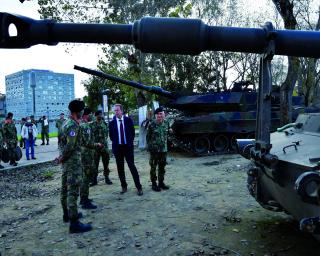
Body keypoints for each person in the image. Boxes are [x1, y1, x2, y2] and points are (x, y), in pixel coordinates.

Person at [57, 100, 92, 233]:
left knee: (65, 189)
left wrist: (61, 157)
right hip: (72, 162)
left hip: (66, 162)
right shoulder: (73, 126)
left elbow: (62, 143)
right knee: (72, 191)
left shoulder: (65, 123)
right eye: (82, 109)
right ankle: (74, 223)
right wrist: (62, 157)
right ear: (79, 111)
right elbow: (70, 146)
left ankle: (67, 214)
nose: (84, 112)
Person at [109, 104, 143, 196]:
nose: (115, 112)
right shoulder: (112, 123)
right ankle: (124, 186)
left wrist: (129, 143)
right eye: (114, 110)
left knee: (132, 167)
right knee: (120, 168)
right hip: (118, 148)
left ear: (122, 111)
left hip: (127, 148)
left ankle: (139, 187)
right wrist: (118, 143)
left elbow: (132, 133)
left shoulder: (128, 120)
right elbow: (111, 136)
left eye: (117, 110)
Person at [79, 107, 102, 209]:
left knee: (85, 176)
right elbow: (88, 142)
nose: (92, 116)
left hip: (83, 154)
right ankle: (84, 200)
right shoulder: (85, 126)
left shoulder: (81, 125)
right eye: (90, 115)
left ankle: (84, 198)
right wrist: (97, 144)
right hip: (87, 155)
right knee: (86, 177)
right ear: (86, 115)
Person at [146, 107, 171, 191]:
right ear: (155, 115)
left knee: (162, 167)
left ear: (164, 115)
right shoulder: (151, 124)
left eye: (161, 114)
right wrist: (150, 147)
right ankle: (154, 184)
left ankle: (161, 183)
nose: (160, 116)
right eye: (158, 114)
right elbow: (148, 137)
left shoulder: (166, 123)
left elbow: (167, 134)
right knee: (153, 167)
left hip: (163, 150)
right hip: (154, 151)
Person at [91, 110, 112, 186]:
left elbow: (106, 135)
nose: (100, 116)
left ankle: (107, 178)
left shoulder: (105, 124)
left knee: (106, 164)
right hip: (96, 148)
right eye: (99, 115)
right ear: (96, 116)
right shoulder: (92, 125)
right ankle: (94, 180)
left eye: (101, 114)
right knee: (94, 165)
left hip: (104, 147)